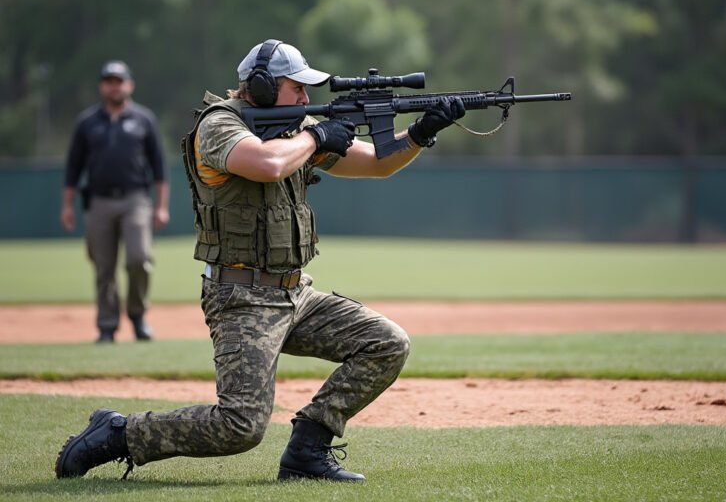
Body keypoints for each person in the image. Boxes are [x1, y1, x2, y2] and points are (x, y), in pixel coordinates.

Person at [55, 40, 464, 482]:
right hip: (242, 296)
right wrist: (314, 136)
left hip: (295, 292)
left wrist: (420, 134)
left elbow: (375, 164)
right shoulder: (219, 126)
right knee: (240, 427)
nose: (306, 100)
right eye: (296, 89)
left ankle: (308, 449)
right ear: (263, 88)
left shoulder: (295, 129)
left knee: (386, 343)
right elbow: (267, 165)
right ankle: (118, 433)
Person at [60, 60, 170, 343]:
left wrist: (161, 206)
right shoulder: (87, 122)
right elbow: (73, 167)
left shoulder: (143, 119)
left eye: (119, 80)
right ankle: (107, 326)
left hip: (135, 199)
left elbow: (159, 166)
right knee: (103, 266)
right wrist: (68, 206)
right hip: (98, 202)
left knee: (139, 259)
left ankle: (137, 315)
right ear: (102, 86)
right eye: (109, 81)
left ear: (129, 85)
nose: (114, 85)